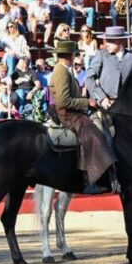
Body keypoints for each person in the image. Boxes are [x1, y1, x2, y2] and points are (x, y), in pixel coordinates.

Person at [50, 41, 118, 194]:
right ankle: (89, 181)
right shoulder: (61, 71)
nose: (76, 56)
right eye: (75, 53)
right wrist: (87, 102)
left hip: (72, 110)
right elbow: (63, 101)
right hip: (67, 114)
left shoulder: (66, 69)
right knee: (92, 135)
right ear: (69, 55)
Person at [84, 26, 132, 110]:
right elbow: (89, 78)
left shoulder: (131, 57)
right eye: (107, 40)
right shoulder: (102, 55)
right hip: (107, 105)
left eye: (111, 41)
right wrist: (101, 98)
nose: (106, 44)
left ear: (121, 41)